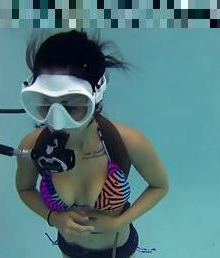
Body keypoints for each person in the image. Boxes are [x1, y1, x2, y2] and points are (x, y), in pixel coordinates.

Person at [15, 29, 169, 258]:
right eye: (45, 104)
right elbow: (24, 188)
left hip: (118, 250)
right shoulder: (32, 146)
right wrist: (54, 218)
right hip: (69, 250)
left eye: (72, 106)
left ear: (96, 97)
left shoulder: (126, 142)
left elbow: (160, 186)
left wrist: (120, 222)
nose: (57, 121)